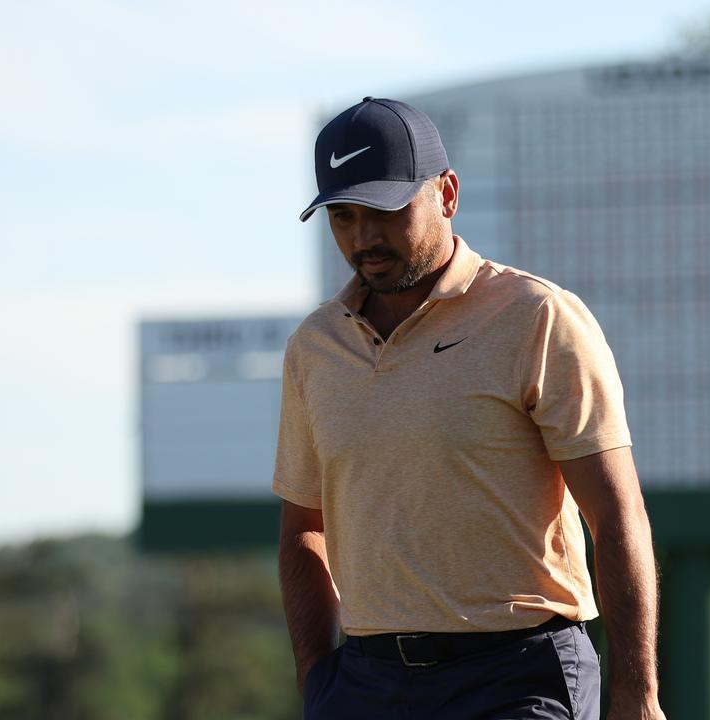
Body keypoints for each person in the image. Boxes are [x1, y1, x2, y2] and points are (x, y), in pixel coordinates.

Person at [274, 96, 665, 720]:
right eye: (343, 217)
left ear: (447, 194)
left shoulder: (537, 317)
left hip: (518, 677)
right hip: (365, 685)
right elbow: (303, 528)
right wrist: (318, 681)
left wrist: (637, 694)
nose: (363, 238)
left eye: (385, 210)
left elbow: (617, 516)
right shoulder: (315, 347)